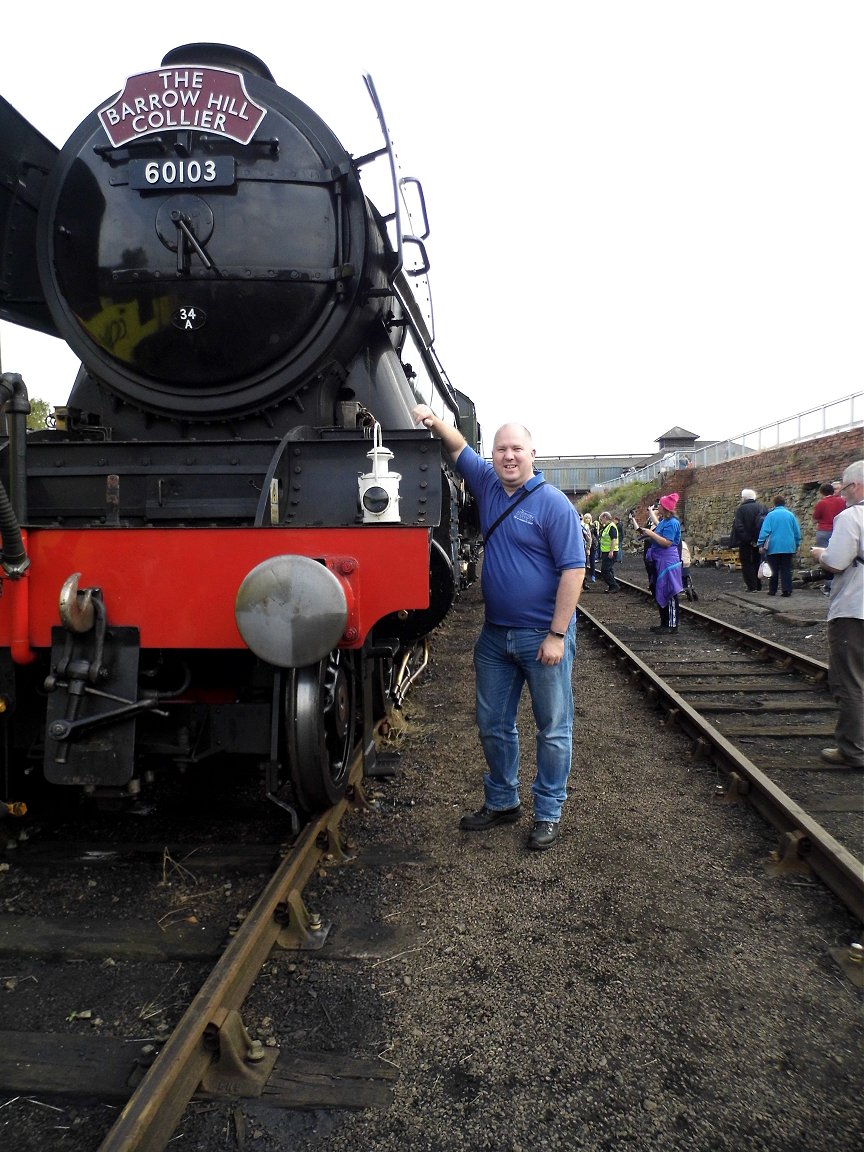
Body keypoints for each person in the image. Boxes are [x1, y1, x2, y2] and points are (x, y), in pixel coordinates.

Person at [411, 404, 586, 851]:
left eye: (517, 449)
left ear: (533, 454)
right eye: (501, 449)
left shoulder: (554, 505)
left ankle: (548, 811)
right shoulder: (487, 483)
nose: (509, 456)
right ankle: (503, 801)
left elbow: (574, 571)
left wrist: (557, 635)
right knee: (492, 724)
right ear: (493, 456)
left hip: (541, 636)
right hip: (494, 636)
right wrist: (432, 419)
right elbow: (458, 446)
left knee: (553, 729)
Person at [810, 460, 864, 768]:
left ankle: (853, 749)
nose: (842, 495)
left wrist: (820, 554)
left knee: (851, 681)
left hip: (855, 609)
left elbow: (837, 562)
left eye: (844, 489)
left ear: (855, 486)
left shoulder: (852, 516)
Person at [632, 493, 684, 632]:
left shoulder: (673, 523)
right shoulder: (664, 522)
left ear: (665, 508)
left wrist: (651, 533)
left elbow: (667, 543)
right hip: (660, 560)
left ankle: (672, 625)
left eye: (660, 504)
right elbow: (658, 527)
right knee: (660, 589)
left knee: (670, 591)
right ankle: (664, 623)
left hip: (668, 561)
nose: (658, 506)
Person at [756, 496, 801, 597]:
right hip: (788, 546)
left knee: (773, 569)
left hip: (773, 546)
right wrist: (797, 544)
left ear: (774, 504)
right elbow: (797, 532)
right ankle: (787, 590)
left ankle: (773, 590)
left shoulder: (770, 516)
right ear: (784, 503)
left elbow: (765, 531)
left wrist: (760, 543)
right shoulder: (790, 515)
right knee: (786, 568)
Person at [729, 488, 769, 592]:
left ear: (744, 498)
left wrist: (747, 539)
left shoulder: (741, 510)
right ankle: (758, 585)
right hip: (759, 540)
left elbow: (739, 526)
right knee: (757, 562)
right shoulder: (762, 507)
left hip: (745, 542)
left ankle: (752, 586)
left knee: (746, 563)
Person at [812, 481, 846, 596]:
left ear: (822, 492)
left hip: (824, 531)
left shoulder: (821, 503)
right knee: (839, 556)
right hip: (838, 530)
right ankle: (840, 583)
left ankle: (828, 585)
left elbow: (815, 518)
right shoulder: (842, 501)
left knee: (824, 557)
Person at [597, 512, 620, 592]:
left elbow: (614, 539)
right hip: (606, 551)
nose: (600, 520)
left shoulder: (611, 527)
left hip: (610, 552)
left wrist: (611, 551)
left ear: (605, 517)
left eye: (601, 518)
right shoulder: (607, 527)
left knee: (605, 570)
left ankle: (614, 586)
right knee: (609, 570)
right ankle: (612, 586)